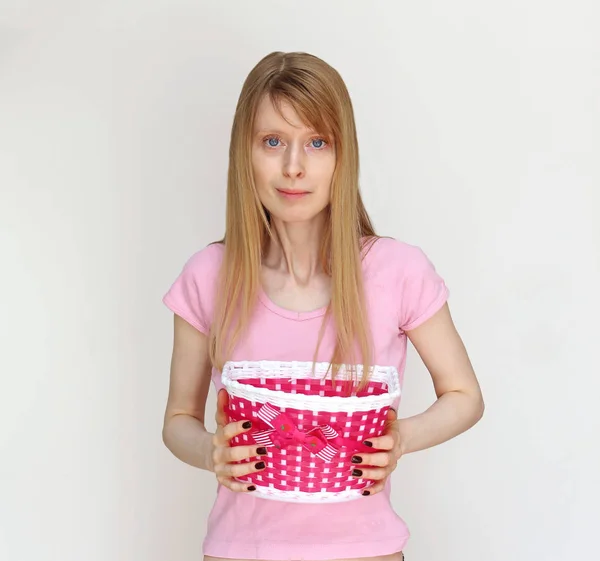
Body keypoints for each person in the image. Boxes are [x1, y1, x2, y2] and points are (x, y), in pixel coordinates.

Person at [161, 51, 484, 561]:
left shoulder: (398, 271)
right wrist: (210, 451)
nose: (294, 166)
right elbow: (178, 418)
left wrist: (401, 438)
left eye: (317, 142)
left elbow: (465, 394)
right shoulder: (207, 276)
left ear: (343, 154)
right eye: (273, 142)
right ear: (245, 153)